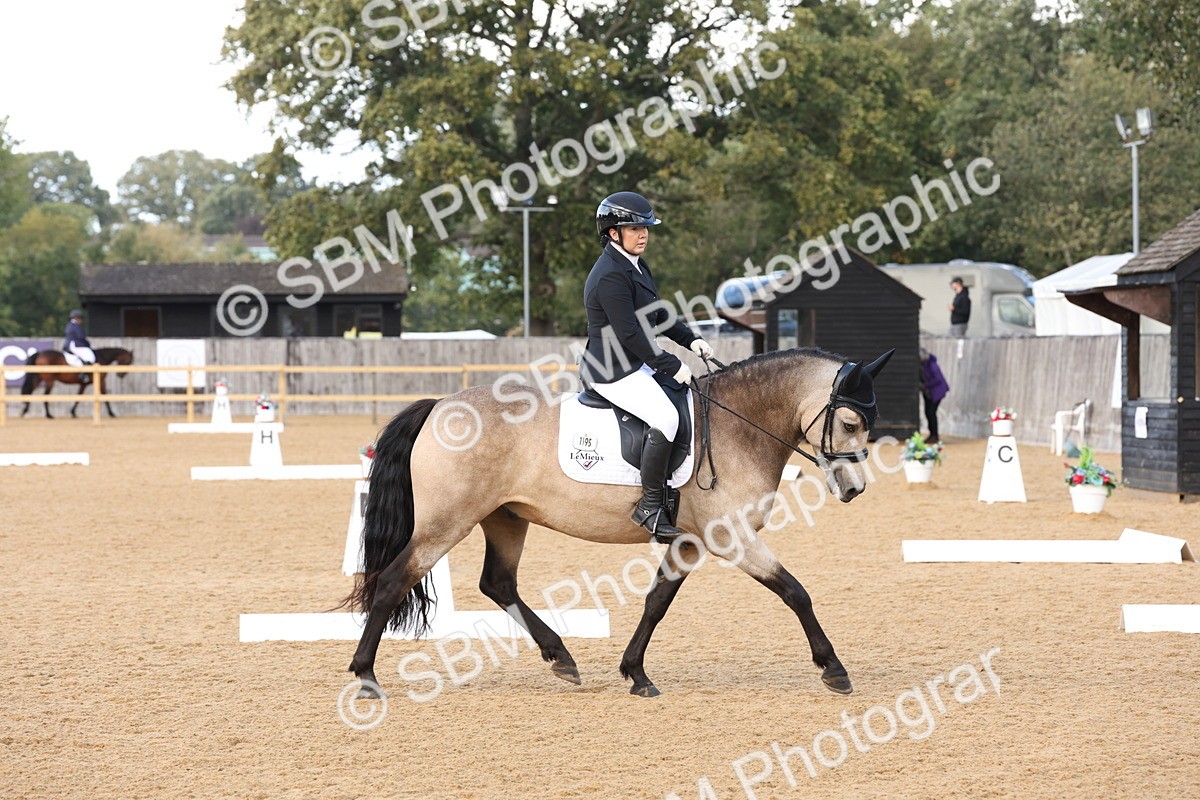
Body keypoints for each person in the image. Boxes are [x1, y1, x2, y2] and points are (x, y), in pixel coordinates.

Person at [581, 191, 714, 543]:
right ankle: (651, 507)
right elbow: (629, 333)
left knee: (683, 400)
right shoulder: (609, 275)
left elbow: (656, 315)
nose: (644, 234)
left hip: (632, 364)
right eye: (635, 228)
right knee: (666, 417)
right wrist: (671, 365)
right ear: (613, 233)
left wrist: (689, 339)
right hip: (611, 370)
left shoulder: (634, 264)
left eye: (646, 228)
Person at [918, 348, 949, 443]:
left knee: (931, 413)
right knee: (929, 413)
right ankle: (933, 434)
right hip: (932, 391)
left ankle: (934, 435)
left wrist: (925, 385)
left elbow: (938, 379)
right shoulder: (925, 364)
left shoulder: (931, 365)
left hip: (936, 392)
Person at [63, 309, 96, 385]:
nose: (81, 320)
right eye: (80, 318)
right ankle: (83, 375)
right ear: (76, 318)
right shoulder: (76, 326)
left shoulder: (70, 325)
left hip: (70, 344)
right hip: (75, 345)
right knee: (90, 357)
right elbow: (81, 337)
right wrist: (88, 344)